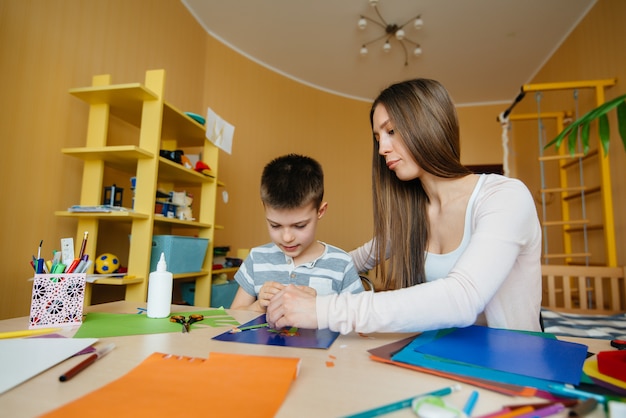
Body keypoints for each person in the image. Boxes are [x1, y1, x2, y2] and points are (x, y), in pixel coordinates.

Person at [267, 79, 542, 333]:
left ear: (429, 124)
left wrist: (323, 310)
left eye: (391, 131)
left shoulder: (505, 197)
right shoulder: (412, 216)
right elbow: (351, 261)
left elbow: (463, 297)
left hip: (512, 371)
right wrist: (289, 277)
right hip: (443, 358)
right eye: (377, 138)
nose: (382, 148)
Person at [230, 154, 364, 312]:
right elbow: (234, 315)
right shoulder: (257, 258)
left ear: (320, 211)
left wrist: (320, 306)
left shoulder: (341, 263)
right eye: (275, 225)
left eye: (299, 226)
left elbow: (359, 319)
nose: (287, 238)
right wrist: (258, 305)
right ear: (265, 208)